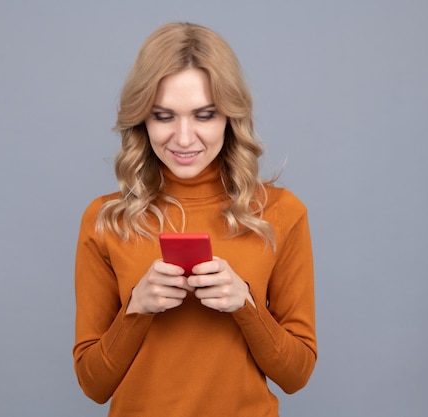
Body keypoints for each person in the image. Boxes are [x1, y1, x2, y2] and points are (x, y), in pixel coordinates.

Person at [73, 22, 316, 417]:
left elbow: (296, 375)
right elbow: (93, 384)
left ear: (229, 117)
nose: (184, 139)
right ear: (142, 120)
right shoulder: (105, 221)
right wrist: (136, 309)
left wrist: (247, 306)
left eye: (204, 115)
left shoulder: (281, 213)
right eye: (164, 116)